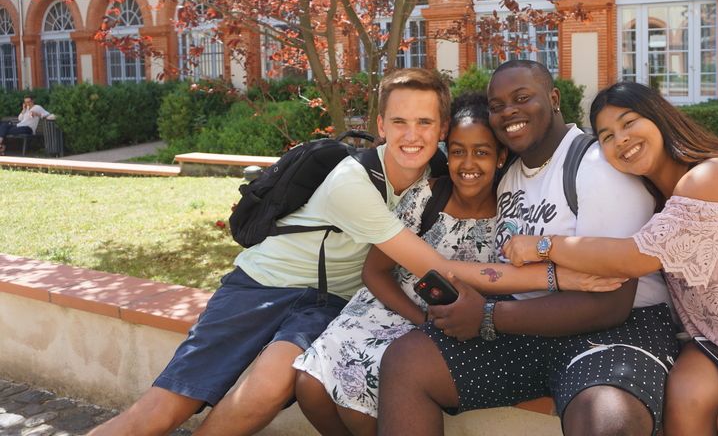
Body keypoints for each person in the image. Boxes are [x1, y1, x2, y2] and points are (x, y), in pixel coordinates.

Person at [89, 69, 613, 436]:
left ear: (440, 130)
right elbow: (433, 266)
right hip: (263, 288)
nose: (414, 136)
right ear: (381, 124)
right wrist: (558, 278)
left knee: (271, 387)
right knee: (165, 408)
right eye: (400, 123)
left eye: (426, 124)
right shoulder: (351, 182)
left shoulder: (433, 173)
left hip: (327, 304)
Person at [503, 81, 718, 436]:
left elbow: (637, 257)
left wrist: (543, 246)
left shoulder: (711, 175)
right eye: (607, 136)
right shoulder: (652, 196)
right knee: (683, 405)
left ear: (660, 118)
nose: (621, 140)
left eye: (629, 123)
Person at [377, 61, 679, 436]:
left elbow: (611, 303)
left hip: (619, 327)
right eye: (497, 105)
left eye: (522, 98)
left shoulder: (597, 166)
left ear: (553, 99)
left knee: (607, 417)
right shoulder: (511, 176)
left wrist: (488, 316)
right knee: (407, 362)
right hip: (530, 323)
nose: (508, 113)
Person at [293, 92, 506, 436]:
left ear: (500, 157)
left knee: (360, 394)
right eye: (456, 152)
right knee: (309, 384)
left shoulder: (510, 213)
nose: (467, 164)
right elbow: (373, 271)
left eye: (481, 152)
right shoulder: (428, 195)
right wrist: (416, 317)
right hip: (392, 307)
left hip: (448, 325)